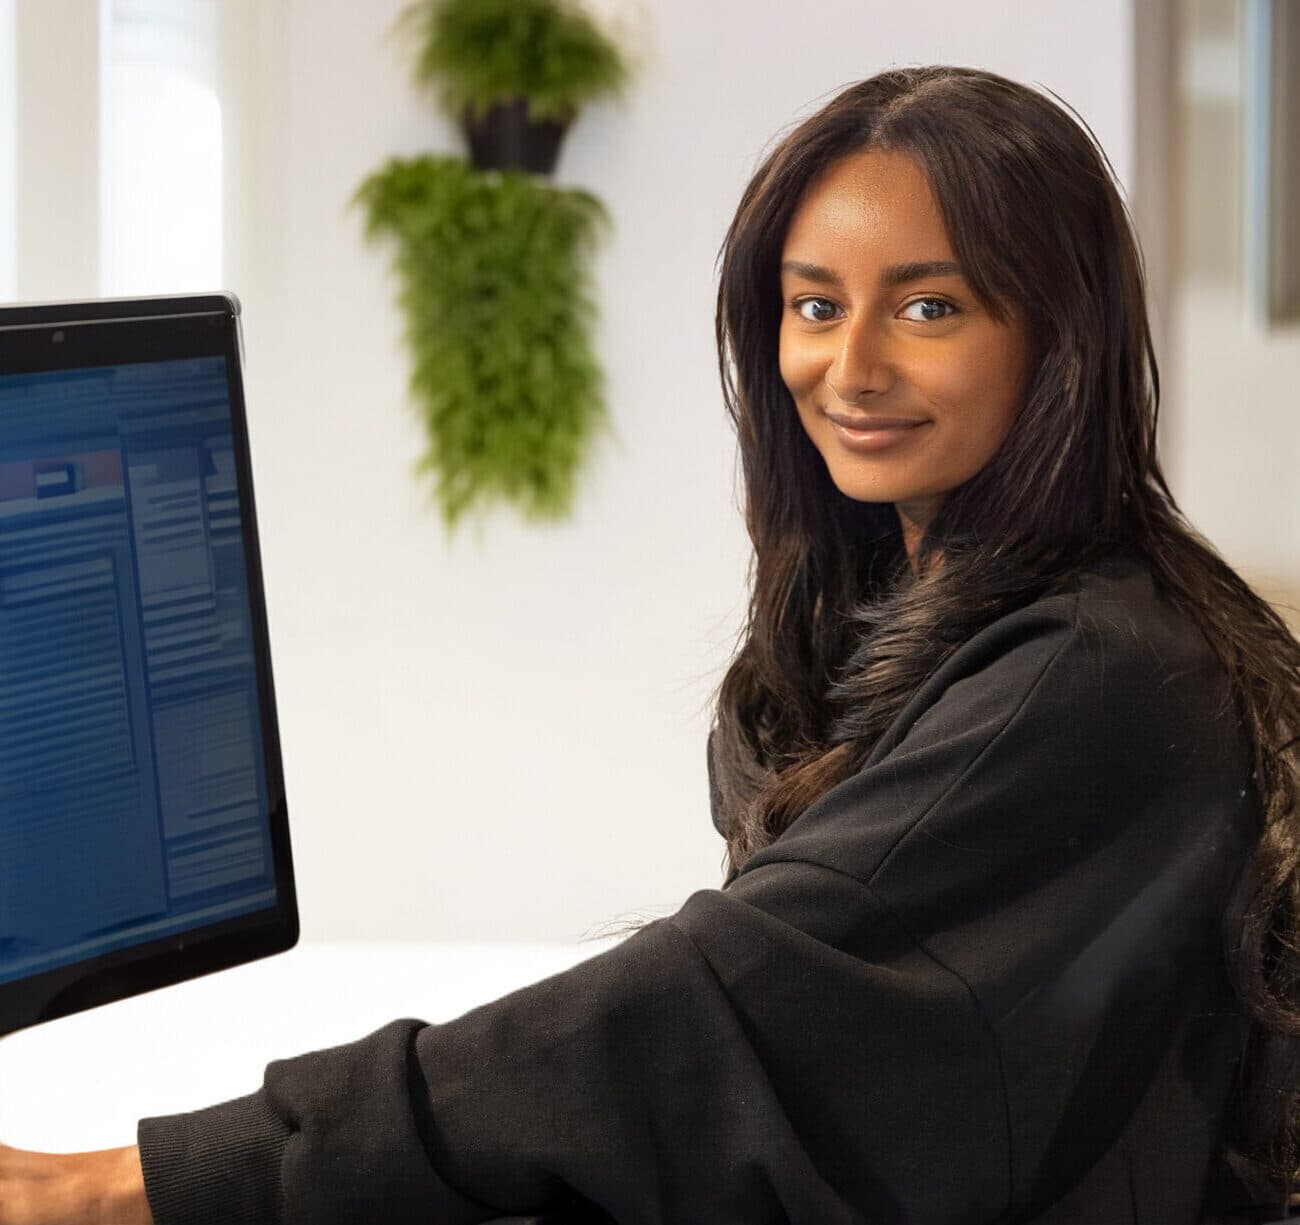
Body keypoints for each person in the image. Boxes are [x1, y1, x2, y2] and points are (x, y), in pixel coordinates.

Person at [3, 63, 1300, 1225]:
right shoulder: (892, 597)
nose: (847, 368)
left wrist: (140, 1185)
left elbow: (715, 1007)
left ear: (1060, 337)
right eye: (813, 305)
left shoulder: (1097, 675)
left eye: (928, 309)